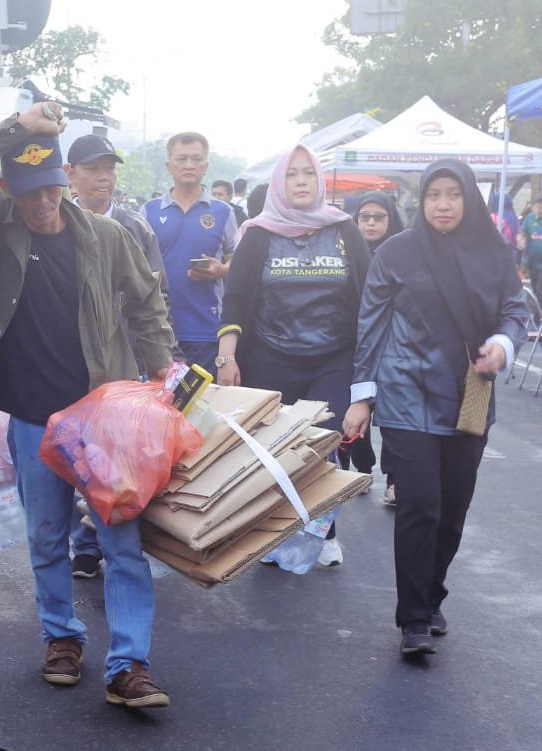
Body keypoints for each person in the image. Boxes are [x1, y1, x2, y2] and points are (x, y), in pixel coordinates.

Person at [0, 102, 176, 707]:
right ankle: (62, 637)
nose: (42, 205)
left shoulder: (107, 236)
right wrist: (19, 128)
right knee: (48, 538)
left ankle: (130, 664)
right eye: (29, 194)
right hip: (31, 419)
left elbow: (147, 300)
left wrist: (162, 369)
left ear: (65, 183)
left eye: (51, 189)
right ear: (9, 190)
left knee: (122, 543)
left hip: (102, 420)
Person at [342, 158, 527, 657]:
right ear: (420, 201)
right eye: (433, 195)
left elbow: (515, 309)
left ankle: (432, 592)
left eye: (453, 194)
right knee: (420, 504)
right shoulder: (398, 253)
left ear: (469, 199)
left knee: (453, 508)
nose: (442, 204)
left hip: (469, 394)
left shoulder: (494, 252)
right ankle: (414, 619)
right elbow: (372, 324)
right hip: (405, 393)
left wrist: (503, 347)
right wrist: (362, 399)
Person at [215, 144, 371, 569]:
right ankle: (272, 534)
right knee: (276, 453)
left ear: (320, 181)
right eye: (292, 174)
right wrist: (227, 356)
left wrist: (367, 385)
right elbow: (236, 298)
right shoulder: (259, 233)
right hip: (270, 358)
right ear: (280, 183)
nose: (301, 181)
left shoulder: (344, 230)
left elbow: (370, 300)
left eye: (308, 173)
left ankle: (326, 531)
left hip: (333, 359)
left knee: (321, 445)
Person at [62, 133, 173, 580]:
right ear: (69, 174)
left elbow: (153, 297)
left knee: (112, 462)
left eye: (109, 168)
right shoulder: (51, 225)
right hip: (63, 367)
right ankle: (83, 544)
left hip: (118, 368)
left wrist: (161, 360)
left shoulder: (133, 227)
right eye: (92, 168)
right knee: (68, 462)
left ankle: (111, 546)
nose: (103, 177)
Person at [142, 132, 238, 371]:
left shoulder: (223, 212)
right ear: (169, 166)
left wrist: (221, 270)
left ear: (206, 165)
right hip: (157, 330)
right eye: (181, 159)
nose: (188, 165)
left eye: (196, 159)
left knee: (203, 403)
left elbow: (240, 263)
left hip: (206, 330)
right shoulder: (149, 211)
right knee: (161, 405)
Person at [349, 191, 405, 507]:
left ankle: (396, 479)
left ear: (390, 219)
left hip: (395, 344)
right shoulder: (346, 252)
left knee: (395, 415)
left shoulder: (404, 252)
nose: (370, 223)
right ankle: (362, 468)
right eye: (364, 217)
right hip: (354, 342)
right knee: (356, 405)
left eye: (379, 217)